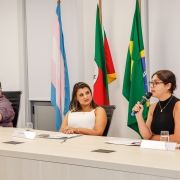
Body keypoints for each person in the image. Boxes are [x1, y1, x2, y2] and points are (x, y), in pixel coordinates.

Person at [132, 70, 180, 143]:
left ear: (168, 86)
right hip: (157, 149)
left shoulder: (178, 105)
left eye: (156, 83)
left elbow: (177, 138)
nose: (151, 86)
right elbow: (147, 136)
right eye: (151, 83)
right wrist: (139, 116)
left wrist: (153, 137)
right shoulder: (153, 106)